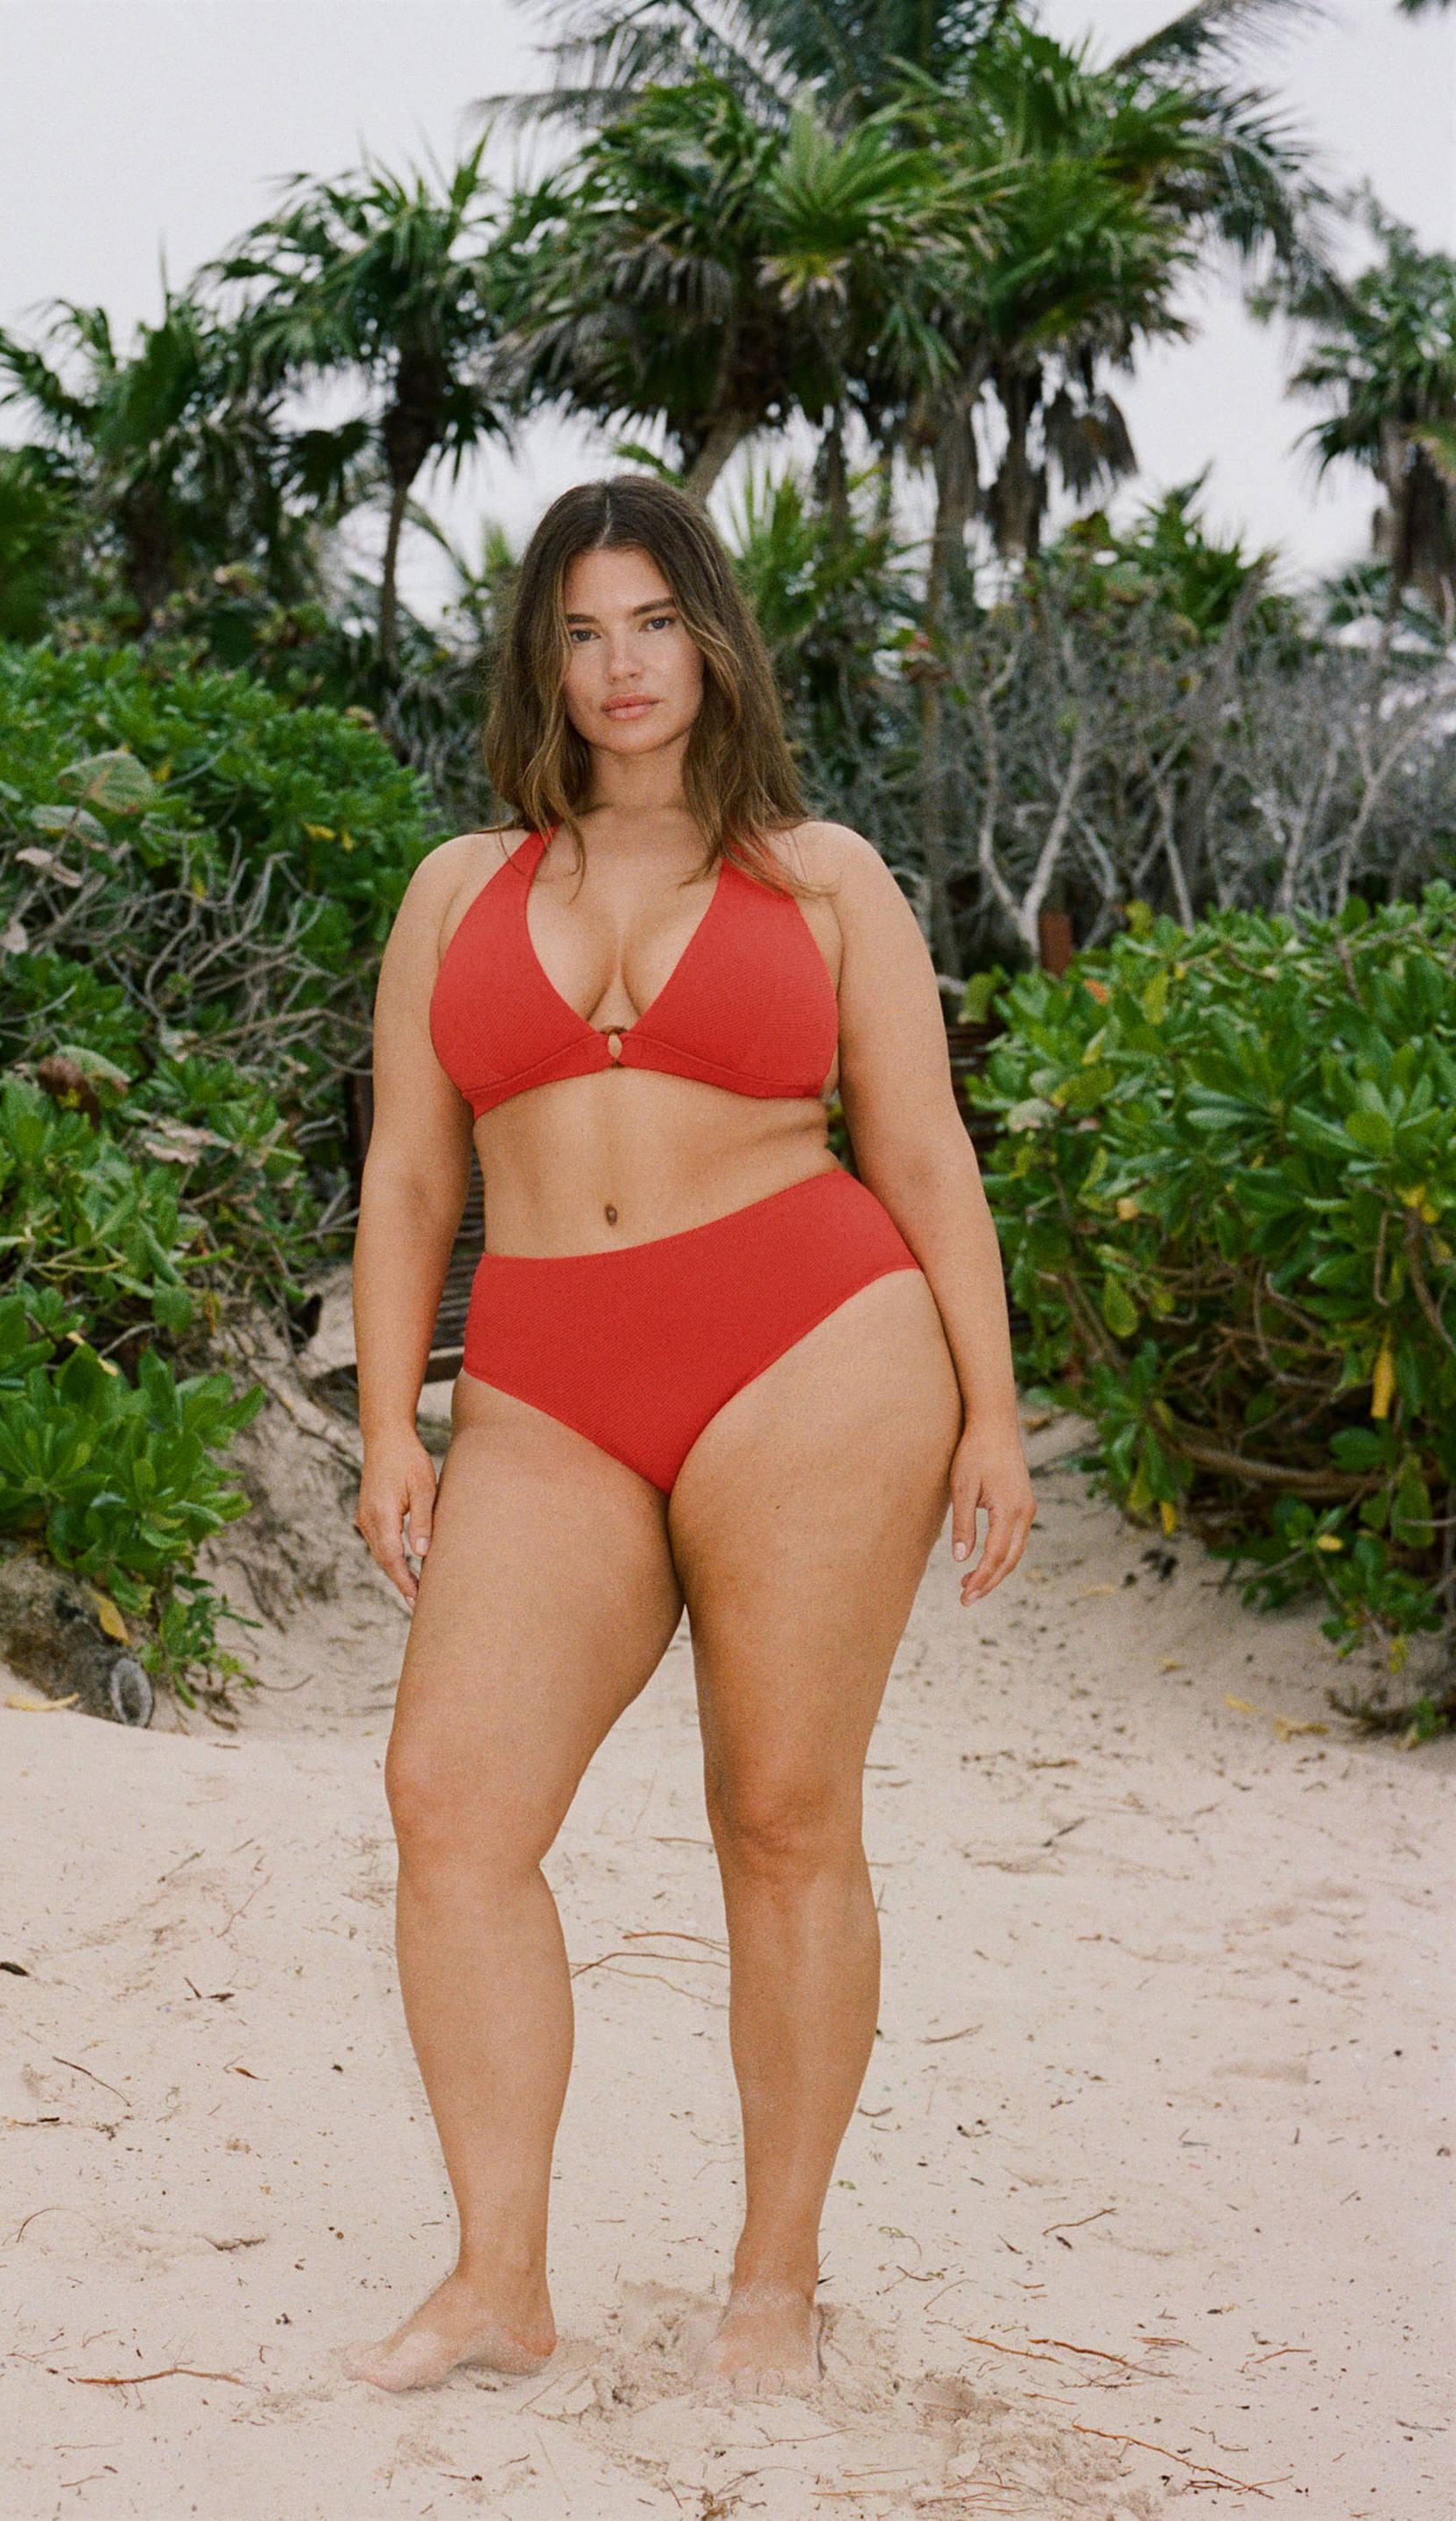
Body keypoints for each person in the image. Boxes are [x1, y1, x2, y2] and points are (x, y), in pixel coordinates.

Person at [346, 475, 1035, 2398]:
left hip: (812, 1349)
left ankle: (772, 2284)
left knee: (783, 1812)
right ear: (540, 661)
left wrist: (992, 1412)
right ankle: (498, 2277)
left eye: (653, 621)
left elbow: (923, 1152)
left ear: (713, 640)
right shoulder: (456, 889)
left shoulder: (823, 877)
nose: (620, 665)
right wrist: (391, 1416)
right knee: (451, 1804)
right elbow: (409, 1178)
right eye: (581, 631)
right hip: (546, 1381)